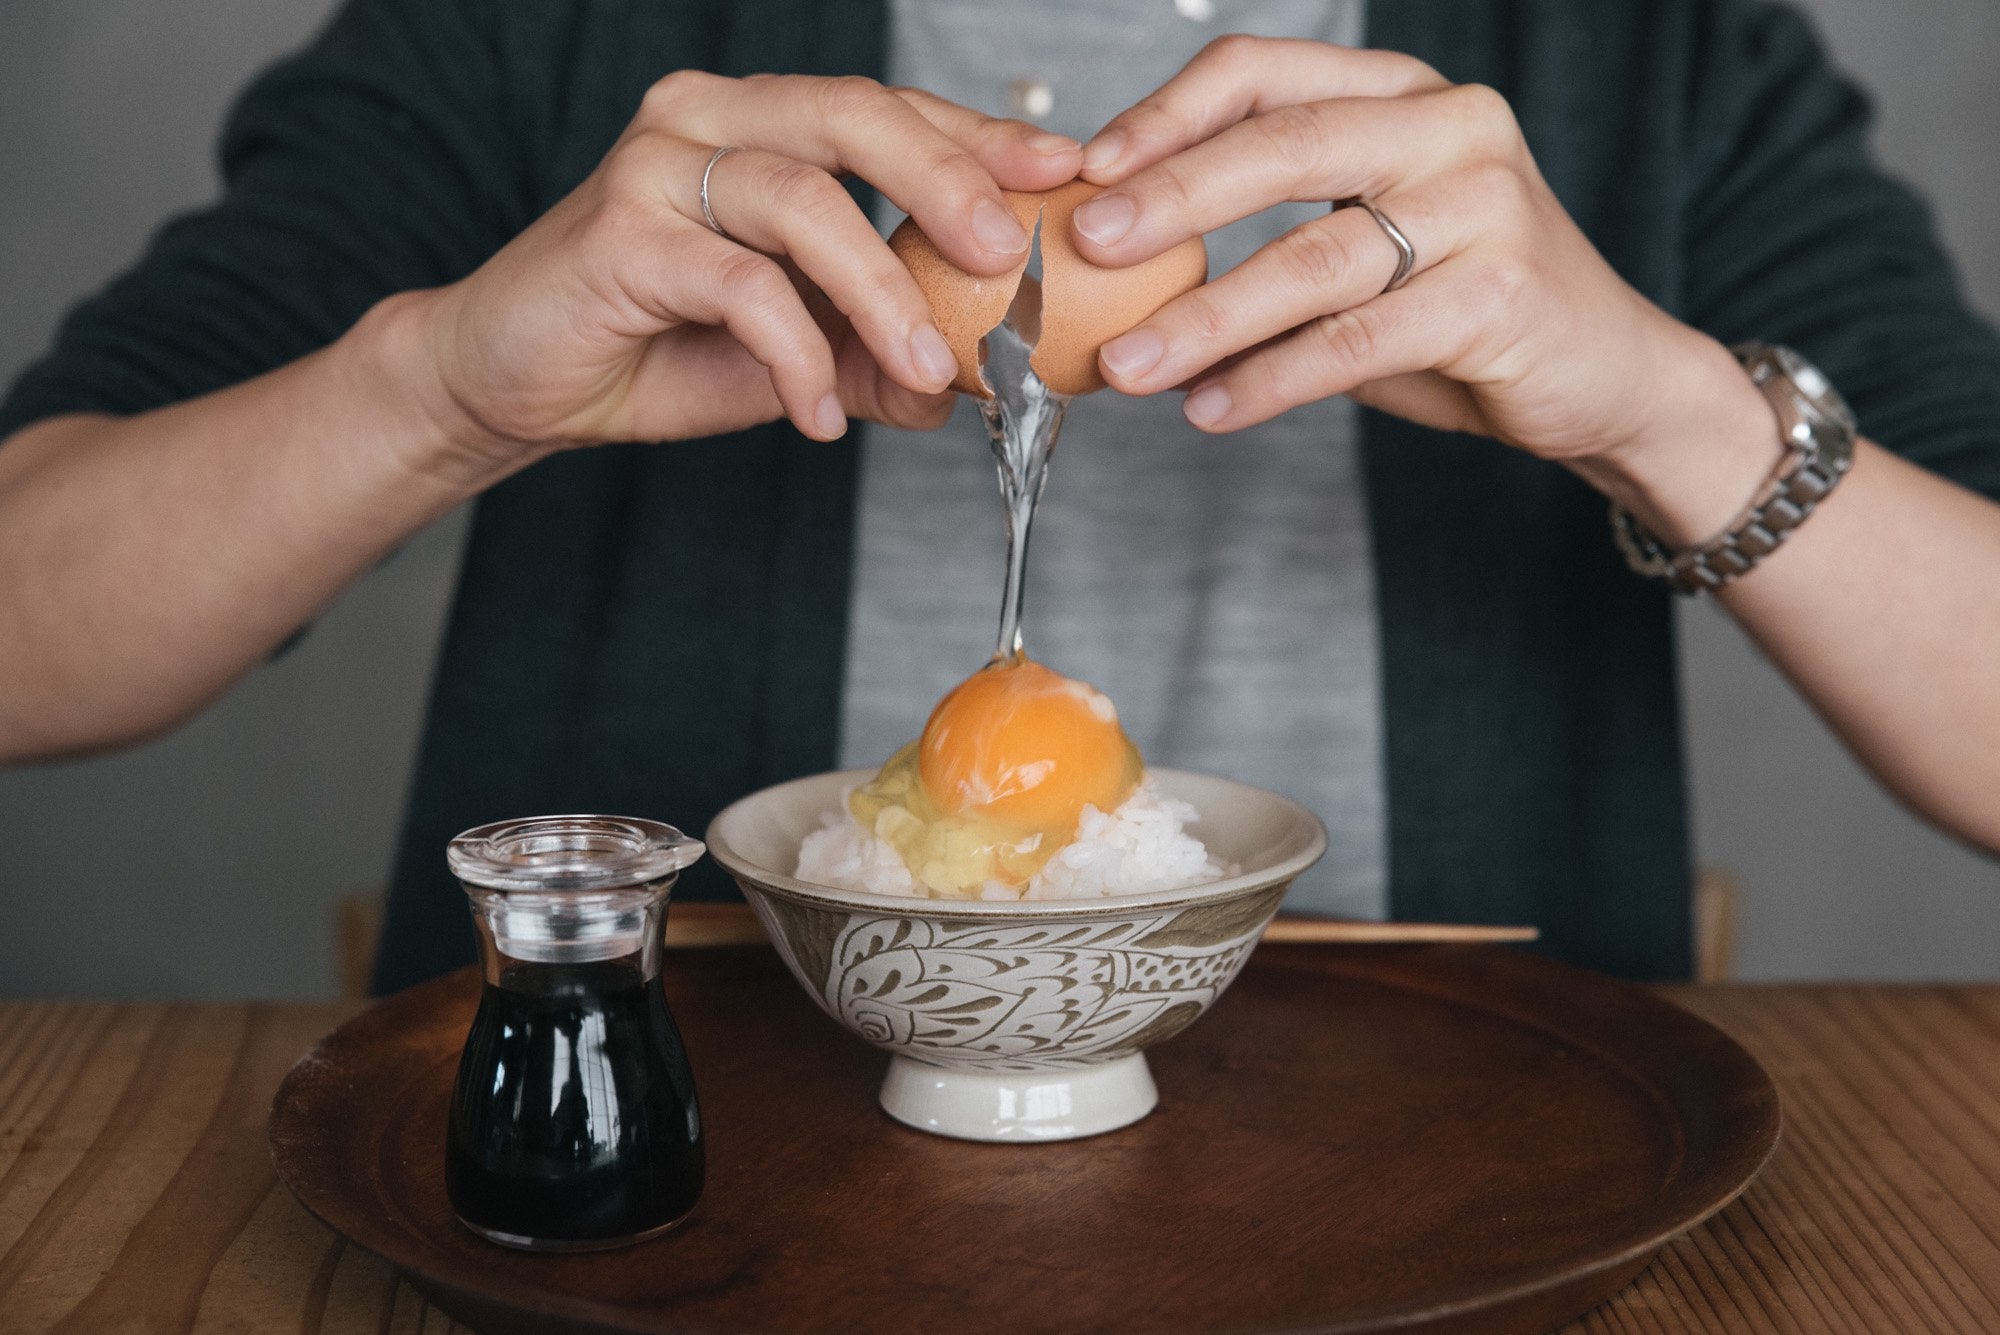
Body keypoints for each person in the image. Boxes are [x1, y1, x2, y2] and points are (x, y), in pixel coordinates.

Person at [2, 0, 1996, 992]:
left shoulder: (1636, 47)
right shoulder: (571, 32)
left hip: (1478, 1197)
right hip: (677, 1209)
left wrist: (1665, 404)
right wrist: (439, 384)